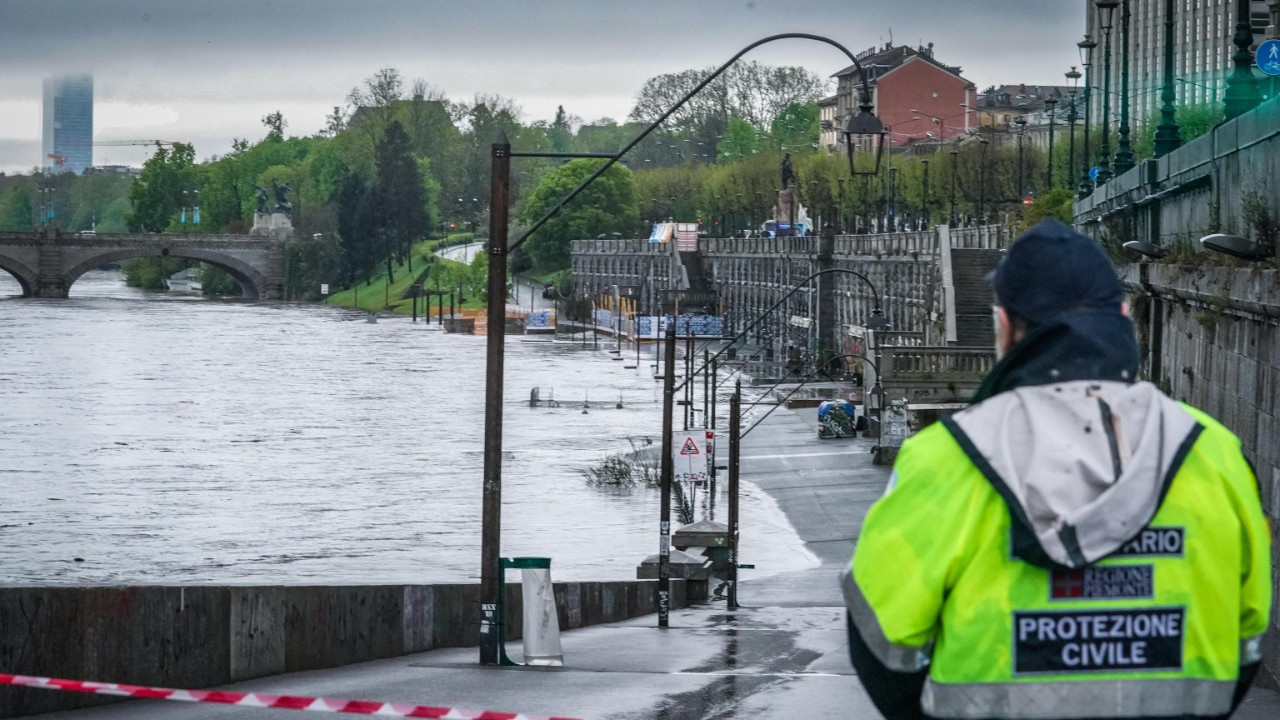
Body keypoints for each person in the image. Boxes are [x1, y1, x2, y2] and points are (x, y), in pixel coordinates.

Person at [844, 219, 1271, 720]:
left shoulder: (944, 459)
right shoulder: (1215, 454)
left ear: (1005, 329)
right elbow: (1246, 638)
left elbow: (880, 645)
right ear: (1124, 317)